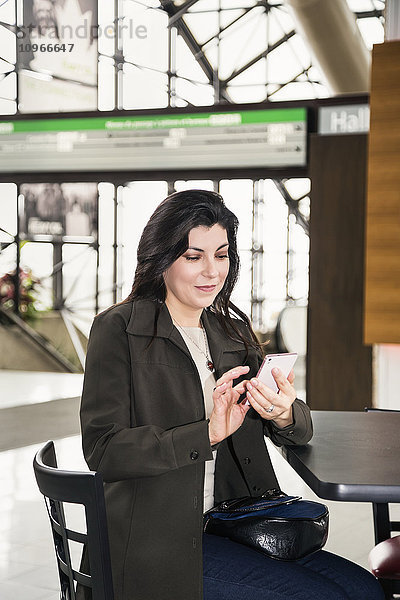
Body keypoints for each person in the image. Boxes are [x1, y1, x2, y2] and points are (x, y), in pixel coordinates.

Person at [79, 189, 384, 600]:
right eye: (193, 256)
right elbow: (103, 449)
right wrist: (205, 434)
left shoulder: (232, 333)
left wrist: (282, 414)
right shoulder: (119, 329)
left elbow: (300, 430)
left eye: (221, 255)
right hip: (156, 541)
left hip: (235, 522)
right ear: (161, 258)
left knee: (364, 589)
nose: (211, 271)